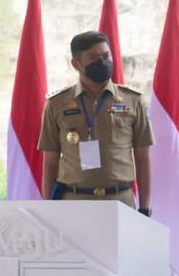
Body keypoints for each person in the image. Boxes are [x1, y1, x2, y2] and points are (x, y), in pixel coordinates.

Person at [38, 31, 153, 214]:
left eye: (106, 56)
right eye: (93, 57)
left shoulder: (133, 100)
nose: (103, 62)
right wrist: (48, 209)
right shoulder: (57, 104)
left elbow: (142, 158)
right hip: (73, 203)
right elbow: (50, 162)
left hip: (120, 202)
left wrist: (145, 207)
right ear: (76, 64)